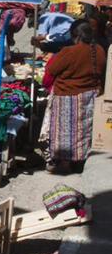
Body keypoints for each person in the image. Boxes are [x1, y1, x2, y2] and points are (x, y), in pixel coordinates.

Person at [45, 19, 105, 173]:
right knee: (82, 131)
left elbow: (51, 69)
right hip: (89, 97)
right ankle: (80, 159)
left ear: (76, 36)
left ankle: (65, 162)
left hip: (67, 97)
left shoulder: (68, 52)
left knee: (65, 132)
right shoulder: (99, 50)